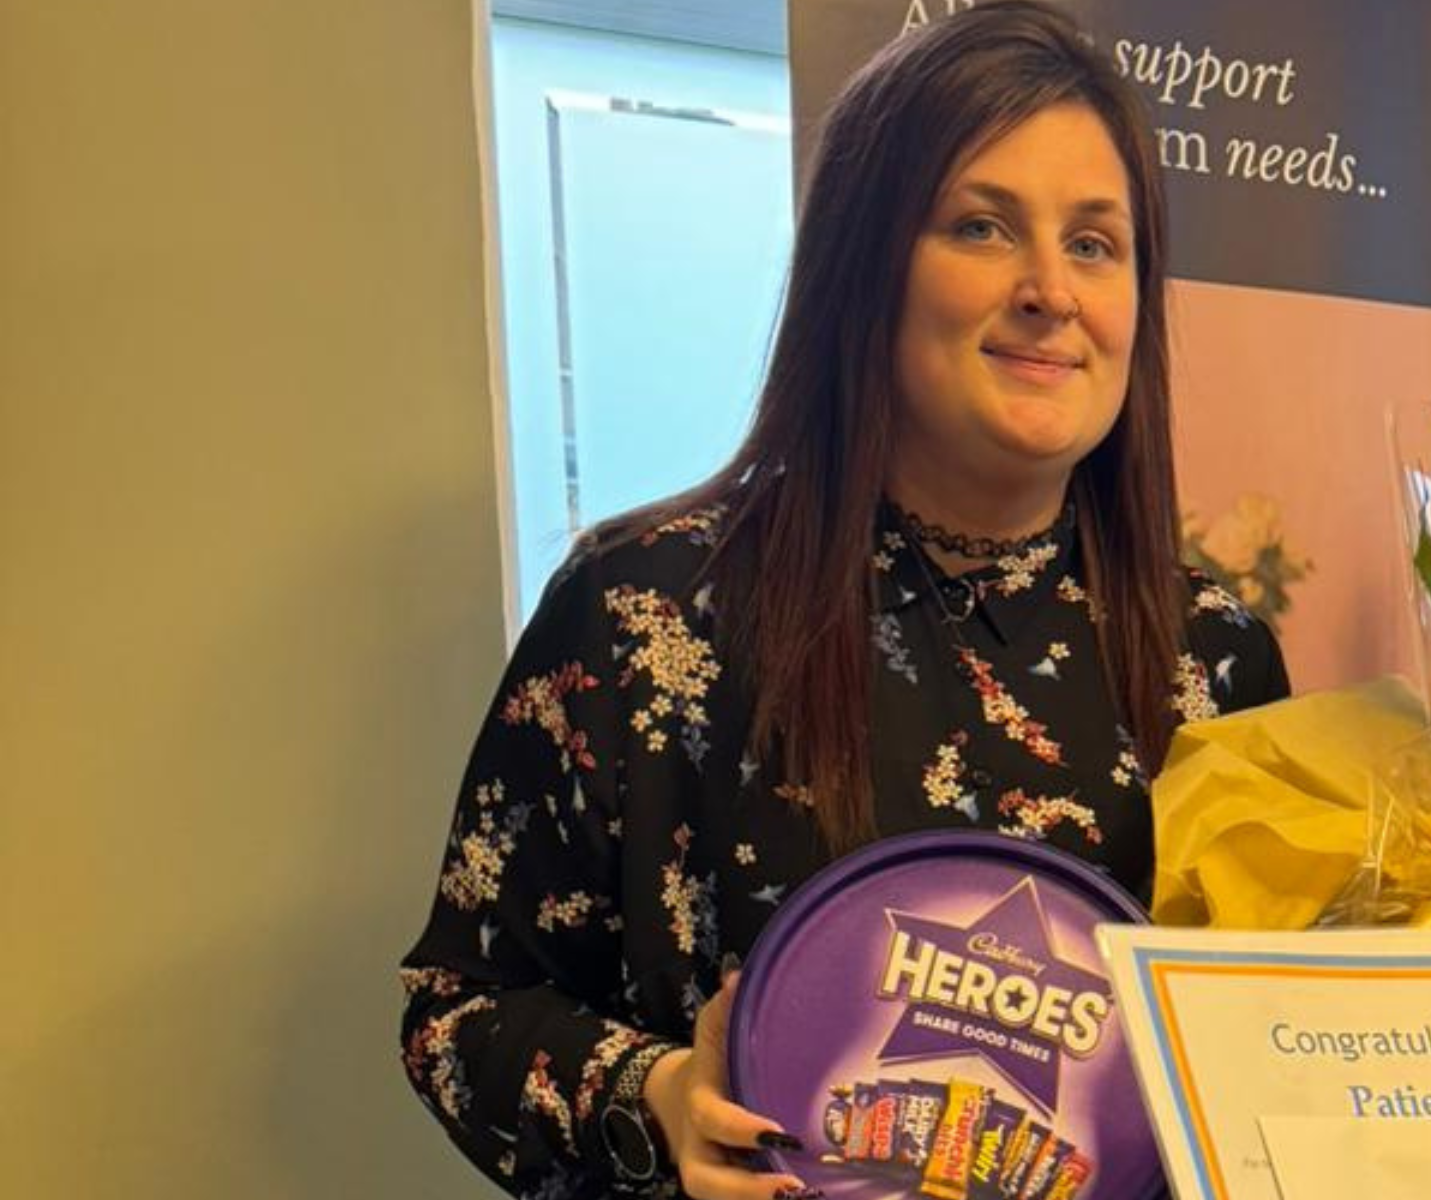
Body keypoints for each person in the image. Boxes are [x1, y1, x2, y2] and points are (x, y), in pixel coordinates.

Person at [397, 6, 1288, 1197]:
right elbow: (459, 1010)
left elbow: (1269, 1061)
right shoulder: (646, 613)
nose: (1049, 291)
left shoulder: (1217, 656)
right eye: (981, 226)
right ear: (864, 267)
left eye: (1094, 243)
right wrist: (657, 1095)